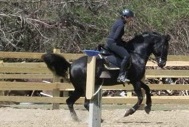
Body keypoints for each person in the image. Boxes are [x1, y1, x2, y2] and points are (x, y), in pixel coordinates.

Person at [106, 9, 134, 83]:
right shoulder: (121, 25)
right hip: (113, 43)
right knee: (127, 56)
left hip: (110, 41)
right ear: (125, 17)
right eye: (130, 17)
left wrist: (123, 42)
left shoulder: (119, 22)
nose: (131, 19)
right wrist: (122, 43)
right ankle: (121, 76)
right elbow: (116, 37)